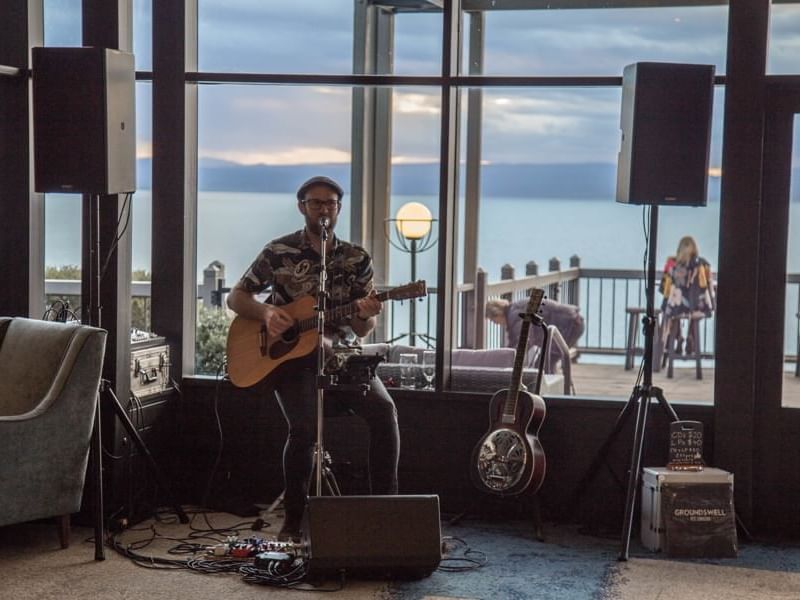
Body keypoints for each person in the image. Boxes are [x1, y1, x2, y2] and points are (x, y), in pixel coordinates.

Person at [226, 175, 400, 542]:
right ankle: (292, 522)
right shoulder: (279, 251)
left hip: (341, 359)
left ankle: (387, 509)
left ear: (338, 208)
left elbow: (363, 328)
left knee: (385, 413)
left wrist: (366, 311)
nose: (324, 209)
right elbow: (237, 298)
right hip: (290, 359)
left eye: (331, 204)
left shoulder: (356, 258)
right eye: (316, 203)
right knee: (303, 430)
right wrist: (268, 315)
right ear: (301, 205)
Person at [485, 296, 585, 373]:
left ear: (497, 313)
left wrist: (507, 361)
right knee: (544, 364)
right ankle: (550, 390)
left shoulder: (515, 315)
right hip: (573, 322)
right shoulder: (514, 310)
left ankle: (549, 394)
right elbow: (515, 341)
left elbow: (524, 340)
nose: (497, 324)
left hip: (570, 325)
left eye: (494, 321)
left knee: (544, 365)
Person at [659, 235, 714, 356]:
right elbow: (709, 286)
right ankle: (691, 338)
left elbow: (664, 289)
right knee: (694, 315)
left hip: (677, 304)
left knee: (672, 310)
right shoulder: (703, 265)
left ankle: (676, 338)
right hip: (697, 305)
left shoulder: (672, 265)